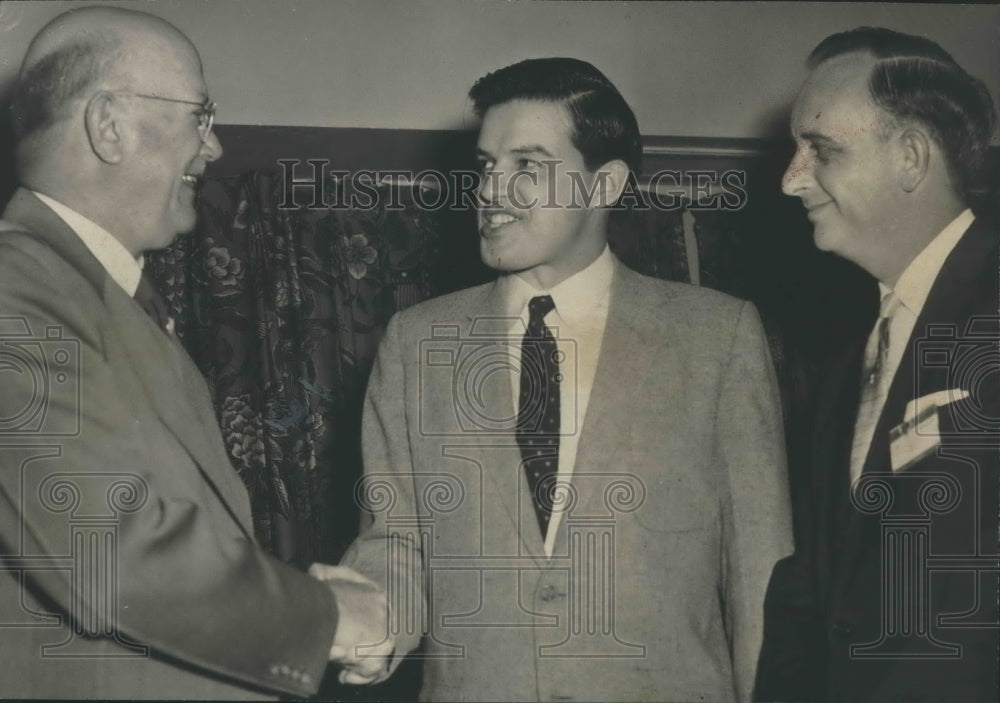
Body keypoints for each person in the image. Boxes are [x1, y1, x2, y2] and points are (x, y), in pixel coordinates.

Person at [341, 57, 793, 701]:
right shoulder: (416, 341)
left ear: (603, 184)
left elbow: (761, 577)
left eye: (527, 165)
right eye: (486, 166)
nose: (493, 191)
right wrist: (371, 622)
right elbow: (395, 540)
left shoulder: (716, 338)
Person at [0, 6, 391, 699]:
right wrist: (325, 616)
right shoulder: (16, 287)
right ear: (108, 126)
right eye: (199, 116)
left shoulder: (104, 297)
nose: (212, 149)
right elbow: (108, 550)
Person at [757, 27, 999, 703]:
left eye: (822, 150)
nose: (789, 178)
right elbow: (820, 592)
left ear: (911, 157)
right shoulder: (850, 348)